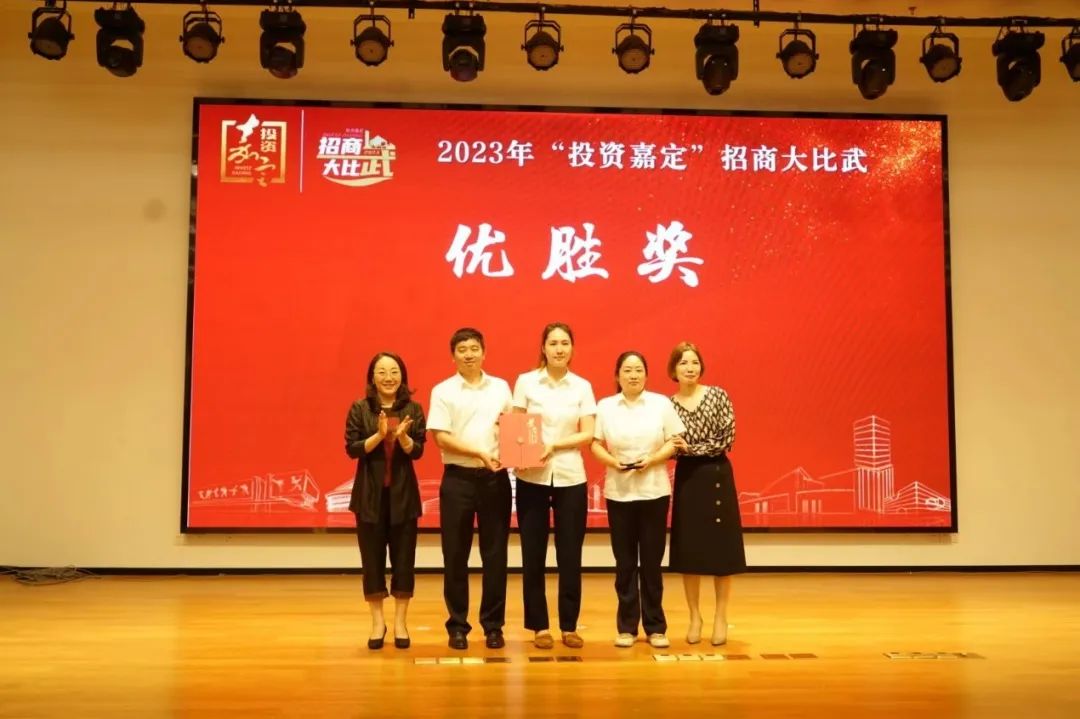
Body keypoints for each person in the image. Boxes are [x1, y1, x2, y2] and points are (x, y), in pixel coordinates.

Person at [591, 351, 685, 649]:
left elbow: (674, 441)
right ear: (617, 375)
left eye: (638, 370)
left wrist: (653, 459)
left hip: (653, 491)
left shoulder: (661, 404)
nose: (633, 375)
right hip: (619, 492)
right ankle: (627, 627)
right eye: (627, 370)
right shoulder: (605, 406)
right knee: (625, 563)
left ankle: (656, 626)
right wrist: (612, 462)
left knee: (652, 563)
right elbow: (595, 444)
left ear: (646, 374)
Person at [427, 327, 513, 650]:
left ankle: (493, 626)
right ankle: (457, 625)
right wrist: (478, 452)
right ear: (453, 356)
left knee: (495, 555)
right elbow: (441, 438)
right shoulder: (443, 391)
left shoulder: (501, 387)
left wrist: (514, 450)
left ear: (484, 352)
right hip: (458, 481)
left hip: (495, 479)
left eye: (474, 348)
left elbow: (513, 428)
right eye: (462, 349)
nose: (468, 354)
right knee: (455, 555)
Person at [512, 322, 596, 649]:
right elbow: (517, 425)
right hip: (531, 477)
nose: (559, 349)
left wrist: (554, 445)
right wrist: (519, 453)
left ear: (572, 348)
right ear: (543, 348)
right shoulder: (526, 382)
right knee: (533, 554)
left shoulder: (582, 386)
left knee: (570, 554)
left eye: (564, 343)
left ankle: (569, 625)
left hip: (570, 476)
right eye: (553, 343)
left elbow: (587, 433)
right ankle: (539, 626)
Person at [344, 352, 427, 650]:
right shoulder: (360, 408)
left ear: (402, 376)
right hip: (369, 498)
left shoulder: (413, 409)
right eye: (381, 372)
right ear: (372, 377)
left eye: (394, 371)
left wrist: (403, 438)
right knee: (372, 562)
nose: (388, 377)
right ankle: (377, 623)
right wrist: (379, 436)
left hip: (403, 497)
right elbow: (352, 449)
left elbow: (418, 451)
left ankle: (401, 622)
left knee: (404, 562)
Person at [668, 341, 747, 646]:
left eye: (694, 362)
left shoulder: (718, 395)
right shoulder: (668, 405)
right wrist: (684, 450)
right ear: (673, 369)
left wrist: (691, 449)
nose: (690, 368)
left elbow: (726, 439)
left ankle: (721, 616)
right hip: (688, 479)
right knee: (690, 551)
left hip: (717, 475)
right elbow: (670, 444)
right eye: (683, 363)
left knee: (721, 551)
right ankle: (694, 617)